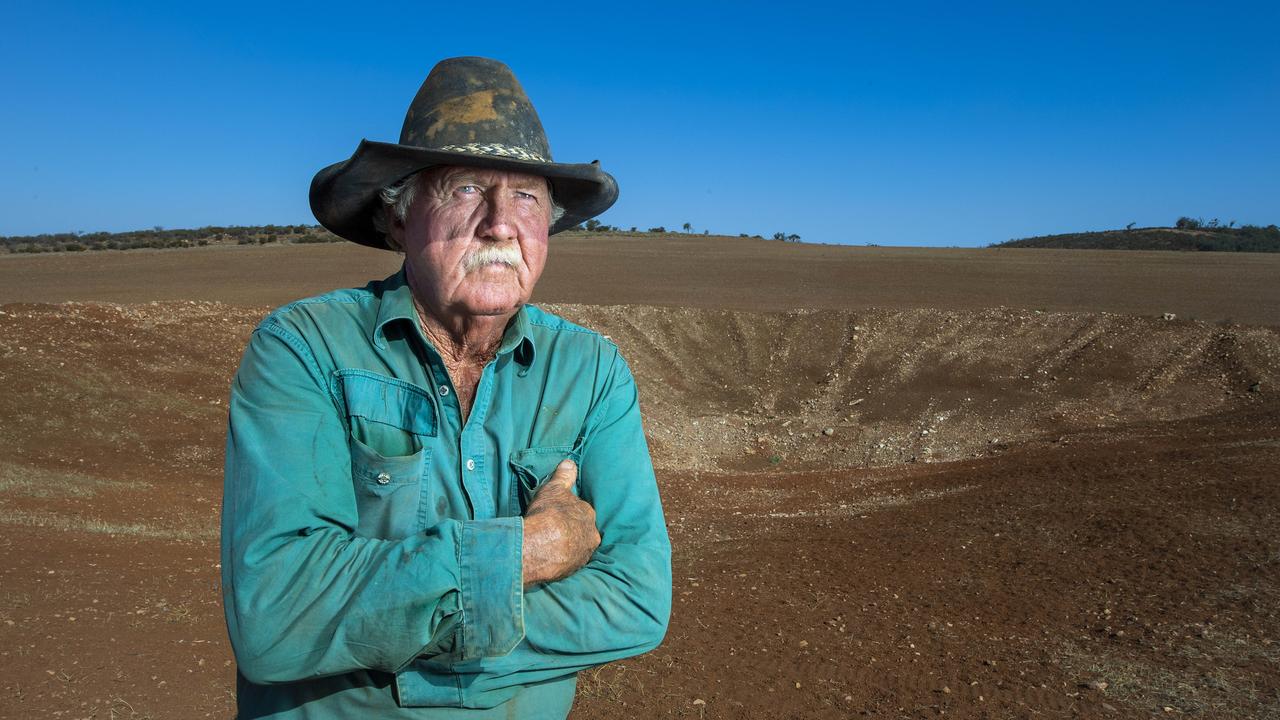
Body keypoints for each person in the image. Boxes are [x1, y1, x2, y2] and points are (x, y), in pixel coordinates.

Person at [220, 56, 672, 719]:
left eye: (525, 196)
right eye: (463, 189)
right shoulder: (304, 346)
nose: (499, 222)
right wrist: (526, 552)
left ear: (546, 226)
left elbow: (637, 600)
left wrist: (389, 635)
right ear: (399, 220)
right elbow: (275, 618)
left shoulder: (590, 371)